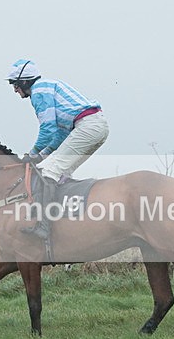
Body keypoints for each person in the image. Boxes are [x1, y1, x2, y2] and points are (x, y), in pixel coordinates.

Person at [6, 59, 109, 240]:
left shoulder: (38, 92)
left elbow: (47, 130)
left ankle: (44, 226)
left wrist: (32, 154)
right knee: (62, 173)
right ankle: (68, 223)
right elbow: (60, 134)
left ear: (24, 81)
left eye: (14, 84)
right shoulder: (47, 87)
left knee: (49, 171)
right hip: (95, 126)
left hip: (87, 126)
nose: (14, 89)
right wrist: (42, 155)